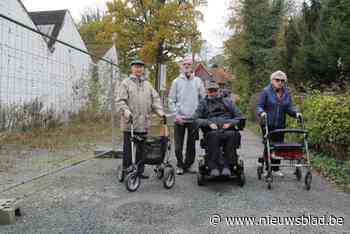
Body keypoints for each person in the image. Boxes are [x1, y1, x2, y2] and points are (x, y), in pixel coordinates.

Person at [115, 59, 165, 179]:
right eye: (136, 67)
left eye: (141, 67)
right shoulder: (125, 83)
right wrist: (126, 111)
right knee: (128, 149)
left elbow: (155, 99)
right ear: (132, 68)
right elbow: (120, 100)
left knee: (142, 149)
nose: (139, 69)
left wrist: (160, 112)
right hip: (130, 122)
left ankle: (139, 171)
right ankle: (127, 170)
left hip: (144, 123)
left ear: (143, 69)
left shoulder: (147, 84)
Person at [256, 70, 302, 177]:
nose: (280, 82)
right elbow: (259, 106)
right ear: (272, 81)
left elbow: (289, 107)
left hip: (280, 124)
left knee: (278, 146)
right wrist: (261, 112)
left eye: (282, 80)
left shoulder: (286, 93)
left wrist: (296, 114)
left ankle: (275, 168)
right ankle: (268, 168)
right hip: (267, 123)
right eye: (277, 80)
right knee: (269, 145)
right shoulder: (266, 91)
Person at [193, 81, 242, 177]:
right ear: (207, 91)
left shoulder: (228, 102)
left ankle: (227, 166)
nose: (213, 93)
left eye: (214, 90)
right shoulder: (203, 103)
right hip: (211, 131)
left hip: (227, 129)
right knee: (214, 136)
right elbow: (195, 119)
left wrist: (230, 123)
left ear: (218, 91)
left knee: (232, 135)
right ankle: (214, 166)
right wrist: (208, 123)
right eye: (210, 91)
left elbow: (239, 117)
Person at [168, 57, 205, 175]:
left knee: (191, 145)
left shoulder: (198, 81)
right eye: (185, 64)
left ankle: (188, 165)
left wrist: (198, 115)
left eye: (189, 64)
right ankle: (180, 165)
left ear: (192, 66)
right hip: (179, 119)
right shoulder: (176, 82)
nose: (187, 66)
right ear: (181, 66)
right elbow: (171, 100)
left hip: (193, 118)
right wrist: (176, 115)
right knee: (178, 146)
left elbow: (203, 99)